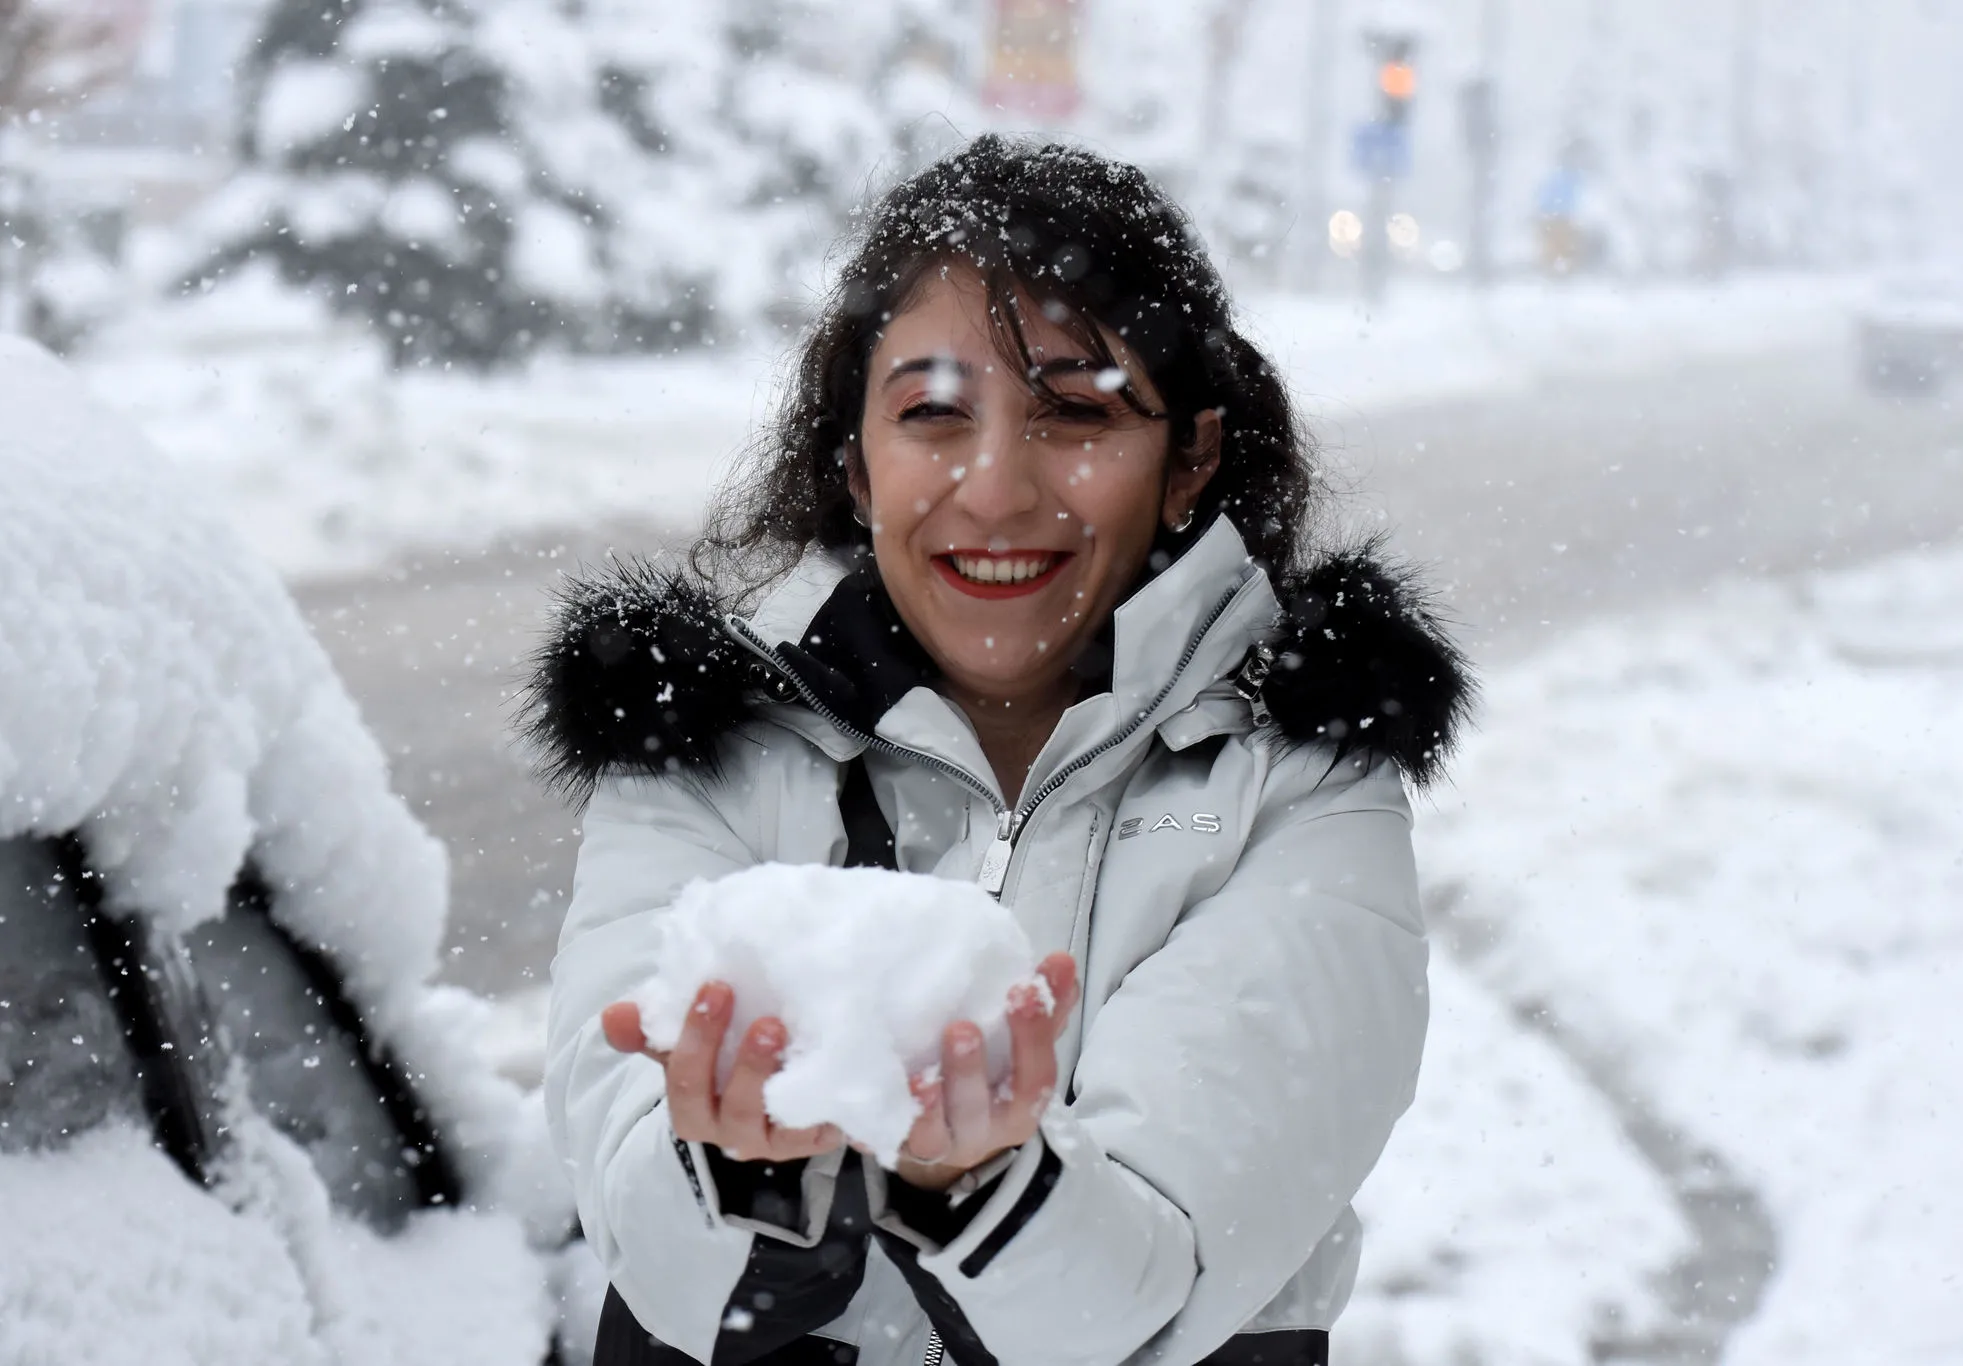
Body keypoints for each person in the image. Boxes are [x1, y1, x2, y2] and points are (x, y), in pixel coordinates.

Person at [527, 135, 1473, 1366]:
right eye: (931, 415)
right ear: (853, 461)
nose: (993, 490)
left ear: (1187, 458)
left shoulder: (1298, 780)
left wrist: (981, 1186)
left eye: (1074, 413)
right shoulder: (697, 750)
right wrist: (741, 1177)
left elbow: (1153, 1287)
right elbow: (657, 1258)